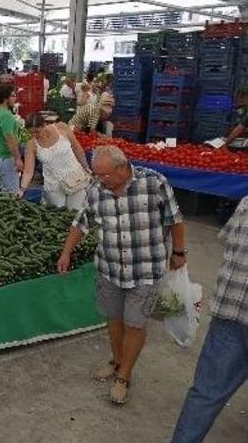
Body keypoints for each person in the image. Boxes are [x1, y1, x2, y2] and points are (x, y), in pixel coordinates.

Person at [57, 145, 186, 405]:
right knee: (114, 318)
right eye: (97, 175)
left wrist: (179, 252)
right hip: (109, 267)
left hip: (145, 268)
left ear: (122, 167)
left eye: (104, 175)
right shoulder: (97, 190)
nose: (100, 180)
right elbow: (81, 222)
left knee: (135, 323)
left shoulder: (154, 183)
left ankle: (124, 376)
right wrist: (66, 252)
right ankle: (116, 361)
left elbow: (175, 219)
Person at [171, 197, 247, 442]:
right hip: (231, 317)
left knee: (206, 393)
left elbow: (227, 240)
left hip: (230, 313)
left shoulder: (246, 202)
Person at [19, 113, 91, 210]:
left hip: (74, 178)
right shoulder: (31, 143)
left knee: (76, 212)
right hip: (53, 185)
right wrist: (22, 189)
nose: (34, 135)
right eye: (31, 133)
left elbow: (77, 149)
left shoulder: (61, 128)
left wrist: (86, 167)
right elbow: (28, 171)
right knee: (57, 213)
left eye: (37, 131)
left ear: (44, 125)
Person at [0, 84, 23, 194]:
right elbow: (10, 139)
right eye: (12, 95)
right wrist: (17, 159)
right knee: (11, 194)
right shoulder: (6, 115)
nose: (15, 98)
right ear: (5, 98)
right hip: (4, 158)